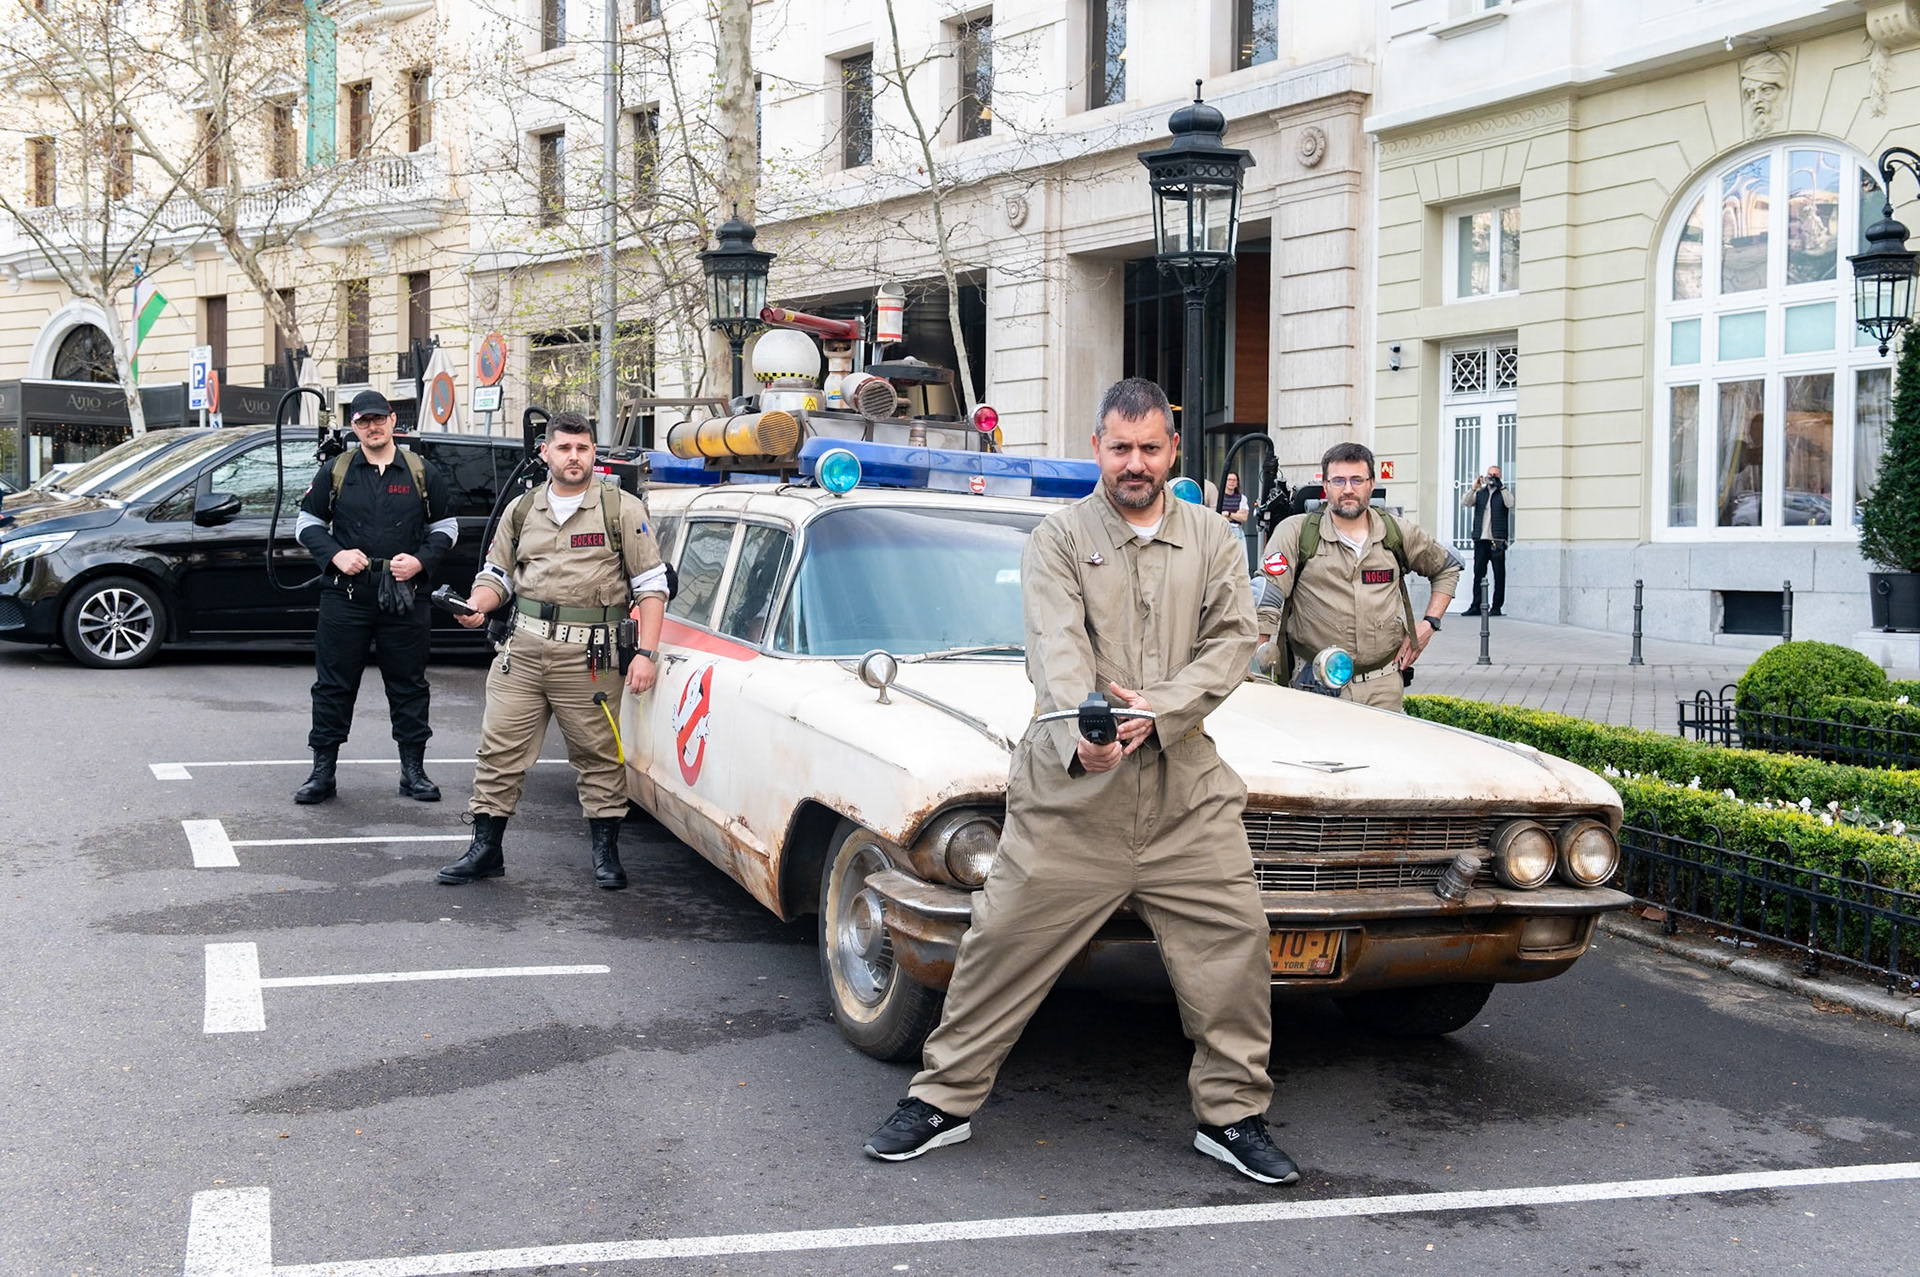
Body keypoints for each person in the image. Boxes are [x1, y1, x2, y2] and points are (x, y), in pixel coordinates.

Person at [862, 377, 1299, 1187]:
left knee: (1234, 951)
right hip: (1072, 793)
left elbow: (1235, 642)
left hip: (1185, 795)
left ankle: (1233, 1115)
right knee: (1000, 945)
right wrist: (1088, 728)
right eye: (1119, 447)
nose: (1134, 463)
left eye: (1150, 447)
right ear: (1097, 447)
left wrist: (1157, 710)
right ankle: (943, 1101)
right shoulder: (1058, 539)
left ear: (1173, 448)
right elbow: (1056, 648)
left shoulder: (1211, 537)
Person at [436, 412, 668, 891]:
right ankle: (486, 849)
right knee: (498, 750)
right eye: (564, 448)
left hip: (590, 658)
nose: (574, 457)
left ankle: (605, 854)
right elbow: (497, 577)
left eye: (582, 449)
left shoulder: (621, 509)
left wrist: (646, 652)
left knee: (598, 755)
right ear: (546, 453)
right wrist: (476, 607)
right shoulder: (521, 510)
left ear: (594, 453)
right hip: (521, 651)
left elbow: (651, 587)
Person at [292, 389, 457, 805]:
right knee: (333, 685)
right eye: (363, 421)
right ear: (354, 427)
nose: (372, 427)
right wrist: (335, 555)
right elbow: (305, 523)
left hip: (404, 595)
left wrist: (420, 561)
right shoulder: (337, 469)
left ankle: (413, 773)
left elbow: (448, 528)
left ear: (392, 421)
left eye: (379, 419)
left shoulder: (420, 471)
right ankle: (322, 773)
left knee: (409, 686)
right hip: (345, 596)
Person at [1256, 442, 1460, 713]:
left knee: (1383, 755)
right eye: (1338, 480)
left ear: (1371, 484)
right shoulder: (1296, 532)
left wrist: (1429, 624)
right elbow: (1268, 596)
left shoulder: (1396, 532)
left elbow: (1446, 567)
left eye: (1357, 480)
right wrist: (1260, 665)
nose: (1348, 489)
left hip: (1384, 685)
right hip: (1317, 683)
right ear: (1325, 486)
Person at [1461, 465, 1512, 617]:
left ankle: (1496, 607)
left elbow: (1510, 503)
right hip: (1481, 540)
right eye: (1490, 475)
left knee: (1498, 575)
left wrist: (1501, 487)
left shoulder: (1503, 493)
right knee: (1478, 573)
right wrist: (1473, 487)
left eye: (1495, 475)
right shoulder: (1481, 493)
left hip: (1497, 540)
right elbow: (1466, 502)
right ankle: (1476, 605)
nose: (1492, 478)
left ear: (1500, 477)